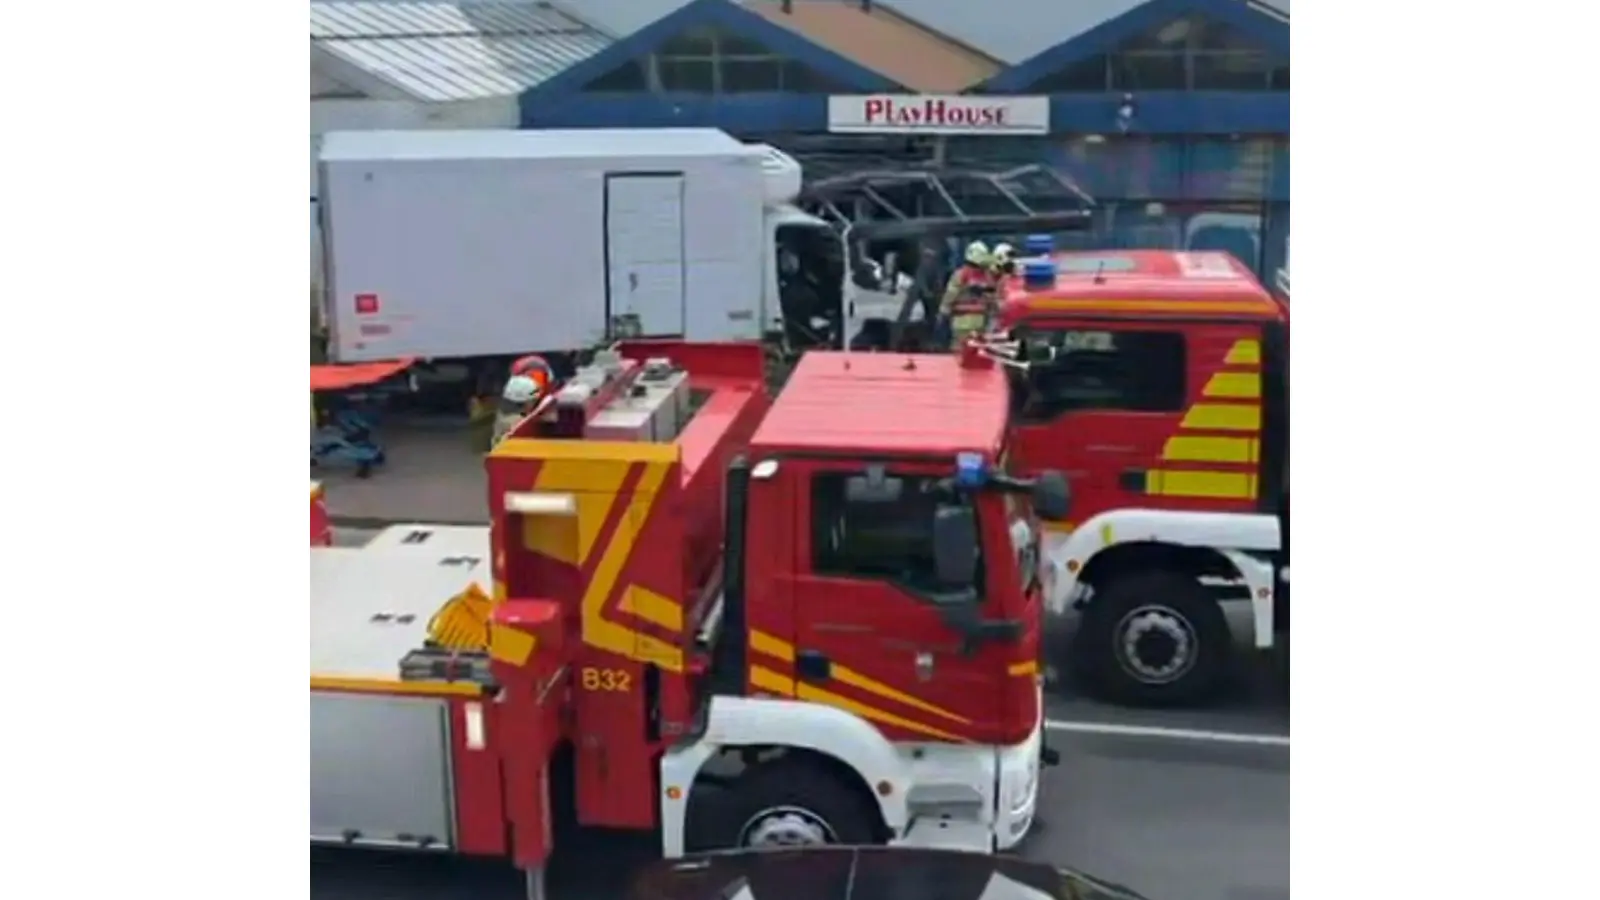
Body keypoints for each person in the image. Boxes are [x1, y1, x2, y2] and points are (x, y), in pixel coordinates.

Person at [940, 241, 998, 350]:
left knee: (960, 351)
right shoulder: (987, 275)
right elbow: (993, 298)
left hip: (962, 321)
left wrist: (944, 311)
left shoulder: (961, 274)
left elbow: (950, 295)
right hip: (979, 322)